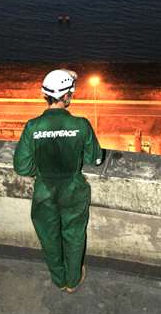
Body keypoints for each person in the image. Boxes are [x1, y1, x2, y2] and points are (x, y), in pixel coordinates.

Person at [14, 69, 103, 293]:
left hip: (45, 191)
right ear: (66, 97)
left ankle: (58, 278)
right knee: (73, 234)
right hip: (73, 190)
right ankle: (72, 280)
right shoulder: (81, 124)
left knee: (49, 235)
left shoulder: (33, 127)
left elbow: (22, 167)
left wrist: (43, 171)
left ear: (46, 95)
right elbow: (95, 158)